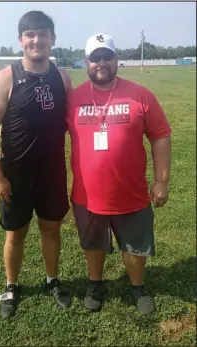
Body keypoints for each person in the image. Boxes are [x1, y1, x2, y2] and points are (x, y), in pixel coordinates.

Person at [66, 33, 172, 313]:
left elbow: (160, 135)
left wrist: (161, 180)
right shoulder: (73, 98)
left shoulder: (140, 94)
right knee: (93, 244)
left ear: (116, 59)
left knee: (135, 246)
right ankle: (95, 283)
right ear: (86, 62)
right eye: (94, 57)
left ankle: (138, 286)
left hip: (131, 192)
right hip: (87, 195)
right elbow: (47, 129)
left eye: (106, 56)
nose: (101, 62)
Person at [0, 10, 73, 318]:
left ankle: (51, 280)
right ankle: (11, 285)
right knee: (15, 234)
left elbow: (73, 122)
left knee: (51, 228)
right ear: (21, 40)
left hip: (53, 173)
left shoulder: (62, 76)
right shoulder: (4, 78)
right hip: (15, 175)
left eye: (43, 34)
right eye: (30, 34)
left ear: (53, 40)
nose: (37, 40)